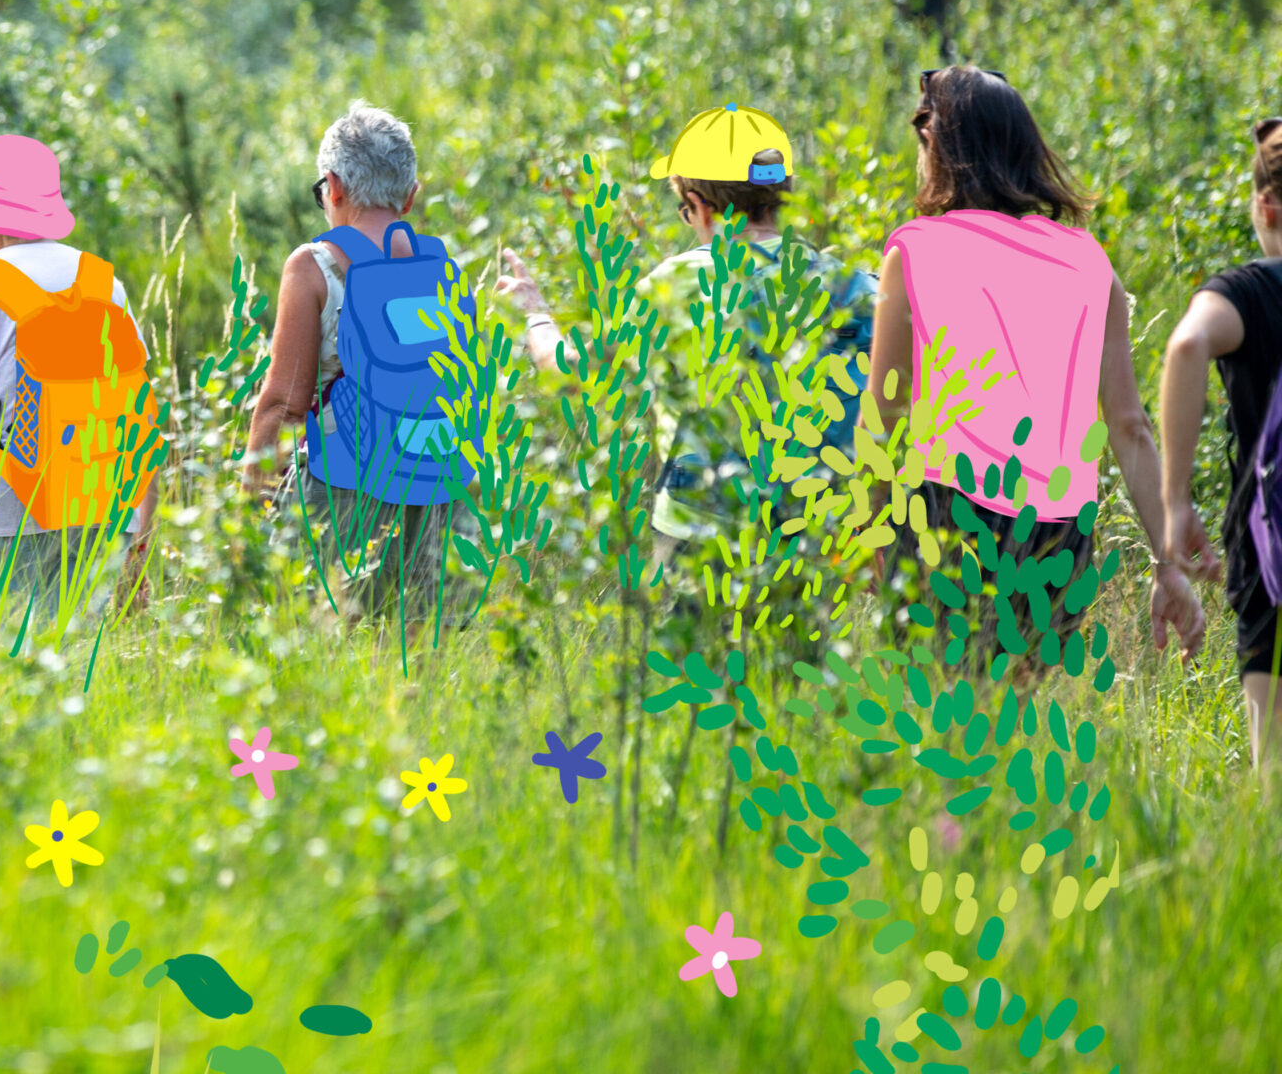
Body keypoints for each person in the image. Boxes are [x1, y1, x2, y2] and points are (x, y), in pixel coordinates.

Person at [867, 66, 1204, 667]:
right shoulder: (1088, 262)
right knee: (1007, 718)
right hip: (1057, 533)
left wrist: (867, 528)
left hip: (947, 513)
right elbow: (1129, 427)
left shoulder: (916, 249)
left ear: (940, 148)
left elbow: (887, 413)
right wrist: (1166, 563)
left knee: (934, 718)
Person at [498, 104, 875, 588]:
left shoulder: (679, 282)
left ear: (698, 205)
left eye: (685, 211)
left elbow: (569, 369)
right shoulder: (849, 284)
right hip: (815, 533)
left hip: (699, 534)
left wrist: (536, 314)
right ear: (782, 195)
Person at [0, 134, 159, 623]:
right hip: (96, 516)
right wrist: (139, 541)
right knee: (81, 678)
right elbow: (138, 418)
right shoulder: (104, 282)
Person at [244, 102, 455, 622]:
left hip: (342, 486)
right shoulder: (440, 268)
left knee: (307, 642)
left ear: (333, 187)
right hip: (434, 489)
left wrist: (249, 507)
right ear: (411, 195)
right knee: (409, 653)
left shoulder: (313, 264)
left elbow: (282, 403)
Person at [1159, 117, 1282, 766]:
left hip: (1272, 556)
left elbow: (1185, 345)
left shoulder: (1253, 292)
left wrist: (1176, 499)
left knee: (1274, 771)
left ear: (1265, 206)